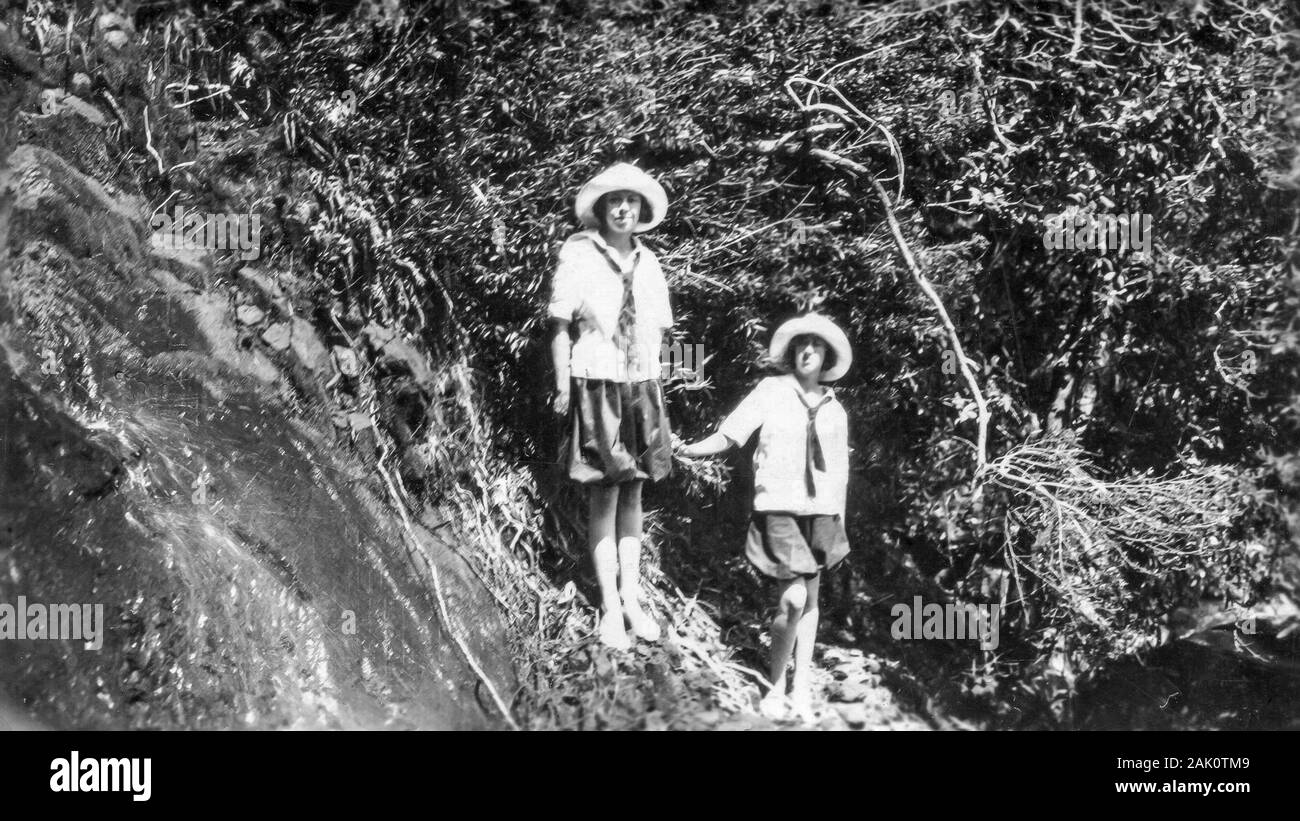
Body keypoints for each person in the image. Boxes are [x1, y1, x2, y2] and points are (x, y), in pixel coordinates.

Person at [675, 313, 853, 720]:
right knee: (792, 599)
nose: (809, 350)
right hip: (778, 505)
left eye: (817, 345)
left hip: (822, 510)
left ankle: (801, 687)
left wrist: (839, 519)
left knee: (811, 601)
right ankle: (775, 685)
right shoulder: (771, 390)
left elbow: (840, 471)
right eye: (802, 344)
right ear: (793, 352)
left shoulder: (834, 408)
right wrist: (686, 448)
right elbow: (730, 434)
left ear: (826, 355)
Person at [548, 162, 675, 651]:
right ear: (600, 209)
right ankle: (609, 610)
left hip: (640, 385)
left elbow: (660, 333)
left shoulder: (650, 262)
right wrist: (563, 385)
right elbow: (560, 325)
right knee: (604, 495)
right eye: (614, 201)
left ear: (642, 210)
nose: (624, 208)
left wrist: (657, 390)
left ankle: (632, 598)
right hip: (597, 381)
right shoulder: (578, 254)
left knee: (636, 495)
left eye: (633, 201)